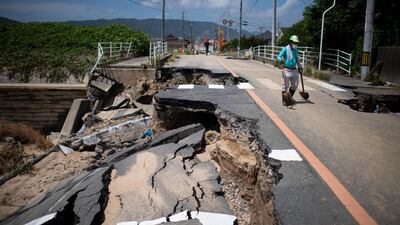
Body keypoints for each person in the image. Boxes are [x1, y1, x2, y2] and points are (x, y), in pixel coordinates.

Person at [277, 35, 303, 106]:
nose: (295, 44)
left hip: (294, 69)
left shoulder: (295, 50)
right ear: (290, 42)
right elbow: (278, 57)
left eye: (296, 43)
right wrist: (281, 59)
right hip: (286, 69)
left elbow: (297, 59)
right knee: (285, 86)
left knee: (294, 85)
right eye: (294, 42)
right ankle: (285, 101)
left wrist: (300, 67)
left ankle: (289, 98)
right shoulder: (285, 49)